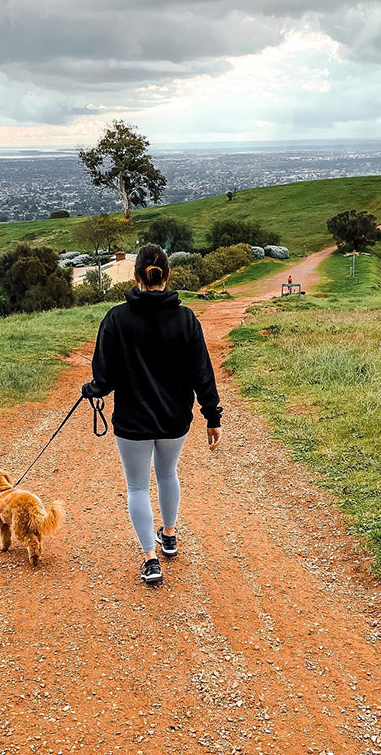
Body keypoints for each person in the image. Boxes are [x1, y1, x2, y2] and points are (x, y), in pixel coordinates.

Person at [81, 244, 222, 586]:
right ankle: (169, 536)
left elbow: (104, 376)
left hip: (132, 421)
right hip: (175, 418)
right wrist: (212, 416)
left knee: (137, 487)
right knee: (168, 474)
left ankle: (150, 558)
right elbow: (202, 372)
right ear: (167, 275)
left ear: (136, 276)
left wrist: (92, 390)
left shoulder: (116, 318)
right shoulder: (186, 318)